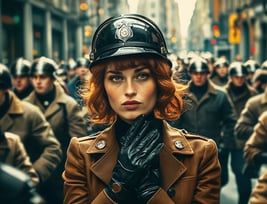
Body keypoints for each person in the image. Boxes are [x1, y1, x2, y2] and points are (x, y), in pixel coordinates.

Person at [63, 14, 221, 204]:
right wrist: (118, 186)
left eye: (142, 76)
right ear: (103, 87)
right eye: (116, 78)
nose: (129, 90)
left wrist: (151, 192)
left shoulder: (201, 154)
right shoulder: (81, 154)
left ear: (159, 82)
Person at [24, 56, 88, 204]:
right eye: (34, 77)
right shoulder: (25, 106)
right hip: (34, 172)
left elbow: (79, 143)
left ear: (52, 79)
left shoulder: (68, 105)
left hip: (61, 172)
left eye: (43, 77)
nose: (38, 81)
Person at [170, 56, 236, 187]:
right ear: (190, 74)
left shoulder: (220, 96)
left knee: (213, 187)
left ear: (207, 74)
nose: (198, 77)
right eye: (195, 73)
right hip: (188, 151)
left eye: (202, 73)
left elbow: (230, 121)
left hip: (213, 150)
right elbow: (174, 123)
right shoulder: (181, 95)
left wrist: (224, 145)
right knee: (188, 187)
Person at [0, 64, 62, 191]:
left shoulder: (29, 113)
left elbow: (53, 148)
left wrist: (33, 176)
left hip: (18, 190)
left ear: (5, 88)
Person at [224, 61, 258, 204]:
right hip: (224, 140)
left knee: (243, 180)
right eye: (236, 76)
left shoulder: (253, 95)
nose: (239, 79)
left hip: (243, 142)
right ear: (231, 77)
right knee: (219, 178)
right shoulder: (221, 93)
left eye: (242, 76)